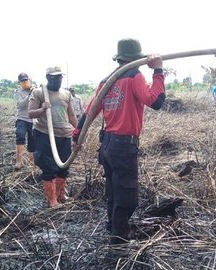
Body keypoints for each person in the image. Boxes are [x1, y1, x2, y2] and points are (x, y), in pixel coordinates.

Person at [72, 38, 165, 244]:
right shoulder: (134, 76)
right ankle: (119, 241)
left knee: (114, 190)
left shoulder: (106, 82)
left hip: (107, 146)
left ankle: (112, 227)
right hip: (123, 146)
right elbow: (156, 102)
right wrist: (158, 71)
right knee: (127, 196)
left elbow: (89, 113)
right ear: (136, 59)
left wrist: (76, 136)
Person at [28, 66, 77, 208]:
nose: (58, 80)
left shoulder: (66, 94)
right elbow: (31, 113)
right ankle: (52, 200)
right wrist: (42, 109)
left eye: (60, 77)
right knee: (49, 167)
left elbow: (72, 115)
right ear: (48, 78)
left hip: (65, 134)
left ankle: (61, 195)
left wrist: (77, 131)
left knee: (64, 165)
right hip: (45, 134)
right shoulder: (38, 93)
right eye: (55, 77)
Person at [13, 72, 35, 170]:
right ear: (20, 83)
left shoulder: (35, 91)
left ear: (29, 80)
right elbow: (19, 105)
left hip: (33, 120)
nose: (25, 82)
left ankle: (31, 163)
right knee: (20, 136)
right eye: (23, 81)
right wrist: (29, 95)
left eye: (26, 80)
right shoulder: (18, 92)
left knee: (32, 141)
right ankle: (19, 162)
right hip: (22, 118)